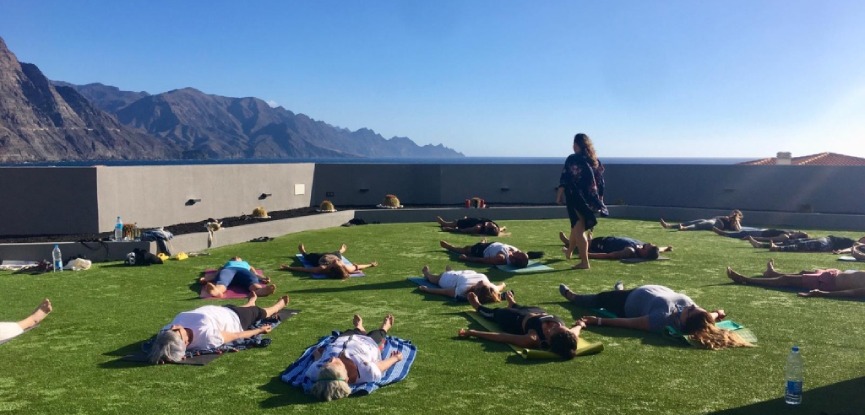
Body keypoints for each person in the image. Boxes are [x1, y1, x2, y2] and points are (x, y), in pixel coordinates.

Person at [559, 283, 751, 350]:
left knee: (599, 299)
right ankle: (619, 289)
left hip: (625, 303)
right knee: (610, 294)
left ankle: (574, 297)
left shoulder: (663, 320)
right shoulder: (700, 315)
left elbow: (630, 324)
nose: (692, 305)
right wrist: (719, 313)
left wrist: (598, 321)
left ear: (685, 321)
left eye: (691, 310)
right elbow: (709, 316)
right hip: (642, 292)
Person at [147, 292, 289, 364]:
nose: (174, 326)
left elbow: (163, 343)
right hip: (236, 319)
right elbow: (236, 336)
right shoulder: (207, 338)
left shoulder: (168, 332)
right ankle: (278, 306)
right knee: (259, 312)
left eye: (172, 329)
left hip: (219, 310)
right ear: (185, 343)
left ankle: (250, 302)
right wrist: (259, 330)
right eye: (176, 331)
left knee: (243, 307)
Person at [459, 290, 583, 359]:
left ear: (551, 338)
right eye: (562, 327)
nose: (556, 325)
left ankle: (478, 306)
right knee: (526, 308)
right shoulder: (569, 335)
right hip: (535, 311)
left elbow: (501, 336)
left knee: (495, 313)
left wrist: (472, 332)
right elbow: (575, 331)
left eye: (555, 329)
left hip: (514, 319)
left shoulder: (533, 338)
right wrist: (581, 324)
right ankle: (513, 303)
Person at [306, 314, 403, 401]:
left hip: (341, 341)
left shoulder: (318, 373)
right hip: (368, 344)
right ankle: (384, 328)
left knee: (350, 332)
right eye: (335, 364)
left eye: (326, 363)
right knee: (378, 335)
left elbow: (316, 363)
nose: (331, 360)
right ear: (346, 378)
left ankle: (359, 328)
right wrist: (395, 358)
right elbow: (380, 366)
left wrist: (318, 356)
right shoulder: (366, 371)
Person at [556, 133, 608, 270]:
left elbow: (565, 178)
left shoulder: (573, 159)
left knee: (579, 229)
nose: (573, 147)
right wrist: (600, 198)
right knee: (577, 226)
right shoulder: (595, 160)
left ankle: (585, 262)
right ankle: (569, 252)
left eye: (575, 144)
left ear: (578, 145)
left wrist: (559, 195)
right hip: (591, 199)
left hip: (576, 198)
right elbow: (601, 182)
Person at [726, 260, 865, 298]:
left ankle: (745, 280)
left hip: (828, 282)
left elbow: (851, 293)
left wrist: (822, 294)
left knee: (786, 280)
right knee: (803, 272)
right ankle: (772, 273)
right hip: (834, 274)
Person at [280, 243, 378, 279]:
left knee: (309, 257)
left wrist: (289, 267)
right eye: (340, 263)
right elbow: (358, 267)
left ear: (332, 268)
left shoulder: (322, 268)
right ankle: (341, 251)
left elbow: (303, 269)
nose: (338, 262)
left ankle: (303, 252)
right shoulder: (346, 267)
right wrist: (370, 264)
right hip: (333, 255)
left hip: (321, 258)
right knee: (337, 254)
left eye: (337, 264)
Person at [418, 264, 505, 303]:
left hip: (448, 280)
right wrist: (503, 285)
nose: (482, 281)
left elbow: (444, 292)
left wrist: (428, 290)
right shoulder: (489, 287)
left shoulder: (463, 290)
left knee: (435, 279)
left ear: (477, 290)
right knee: (451, 273)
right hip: (463, 274)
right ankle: (450, 271)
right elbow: (498, 287)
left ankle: (426, 274)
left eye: (480, 284)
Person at [558, 232, 672, 260]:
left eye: (649, 246)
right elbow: (658, 250)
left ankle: (569, 243)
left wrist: (586, 255)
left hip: (603, 244)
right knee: (589, 241)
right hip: (609, 239)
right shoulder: (643, 247)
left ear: (645, 252)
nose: (649, 244)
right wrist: (666, 248)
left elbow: (609, 255)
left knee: (586, 244)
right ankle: (577, 241)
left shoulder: (630, 251)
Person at [200, 256, 276, 298]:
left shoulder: (246, 264)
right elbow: (217, 273)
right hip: (229, 270)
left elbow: (255, 273)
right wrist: (206, 279)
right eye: (233, 258)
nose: (236, 258)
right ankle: (217, 292)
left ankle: (260, 291)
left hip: (243, 271)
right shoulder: (226, 265)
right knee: (222, 281)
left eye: (238, 257)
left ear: (241, 260)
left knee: (252, 280)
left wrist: (262, 278)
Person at [439, 239, 542, 269]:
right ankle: (483, 241)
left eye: (519, 253)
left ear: (514, 260)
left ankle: (449, 247)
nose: (519, 251)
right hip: (494, 244)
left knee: (466, 249)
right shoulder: (516, 253)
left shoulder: (501, 258)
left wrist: (467, 259)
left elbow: (483, 261)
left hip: (483, 250)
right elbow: (526, 256)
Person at [747, 235, 865, 253]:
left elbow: (852, 248)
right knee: (798, 241)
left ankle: (778, 248)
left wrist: (841, 251)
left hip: (829, 245)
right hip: (829, 239)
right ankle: (761, 245)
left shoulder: (860, 246)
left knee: (802, 245)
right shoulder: (861, 241)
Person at [660, 210, 743, 232]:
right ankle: (669, 226)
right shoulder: (727, 217)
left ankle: (685, 228)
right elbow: (716, 217)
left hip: (717, 224)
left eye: (734, 214)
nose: (731, 214)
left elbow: (738, 229)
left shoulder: (736, 223)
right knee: (695, 221)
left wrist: (736, 220)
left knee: (699, 224)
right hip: (713, 220)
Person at [436, 216, 506, 236]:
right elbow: (500, 229)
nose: (493, 224)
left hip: (467, 224)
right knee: (463, 220)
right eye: (494, 225)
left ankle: (445, 224)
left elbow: (464, 231)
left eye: (493, 226)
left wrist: (450, 229)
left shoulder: (479, 228)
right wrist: (504, 228)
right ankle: (451, 226)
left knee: (455, 223)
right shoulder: (496, 227)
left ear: (488, 229)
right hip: (471, 220)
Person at [712, 227, 808, 242]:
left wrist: (752, 238)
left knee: (742, 233)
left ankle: (725, 234)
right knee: (742, 232)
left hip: (761, 233)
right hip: (762, 230)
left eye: (799, 233)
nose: (797, 232)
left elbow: (770, 239)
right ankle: (725, 233)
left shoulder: (785, 237)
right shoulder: (789, 233)